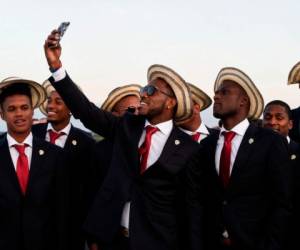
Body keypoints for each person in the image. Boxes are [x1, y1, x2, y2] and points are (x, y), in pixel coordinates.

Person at [44, 30, 200, 250]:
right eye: (143, 88)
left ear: (170, 103)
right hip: (113, 240)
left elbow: (191, 209)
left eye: (150, 90)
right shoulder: (127, 127)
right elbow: (87, 111)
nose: (143, 94)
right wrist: (57, 67)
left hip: (158, 243)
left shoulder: (189, 149)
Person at [187, 67, 291, 250]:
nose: (216, 97)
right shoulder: (206, 145)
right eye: (216, 93)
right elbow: (199, 200)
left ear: (243, 101)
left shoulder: (270, 142)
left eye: (224, 92)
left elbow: (282, 202)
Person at [0, 77, 68, 250]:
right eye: (11, 109)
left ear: (33, 111)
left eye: (24, 108)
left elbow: (62, 211)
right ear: (2, 114)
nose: (19, 114)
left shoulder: (55, 156)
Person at [31, 79, 95, 250]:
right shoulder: (32, 134)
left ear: (72, 109)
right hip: (34, 226)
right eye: (49, 101)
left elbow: (89, 190)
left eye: (58, 102)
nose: (51, 105)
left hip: (70, 228)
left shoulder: (86, 142)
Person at [262, 100, 300, 250]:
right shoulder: (250, 154)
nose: (272, 122)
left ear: (290, 124)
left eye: (279, 118)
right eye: (267, 117)